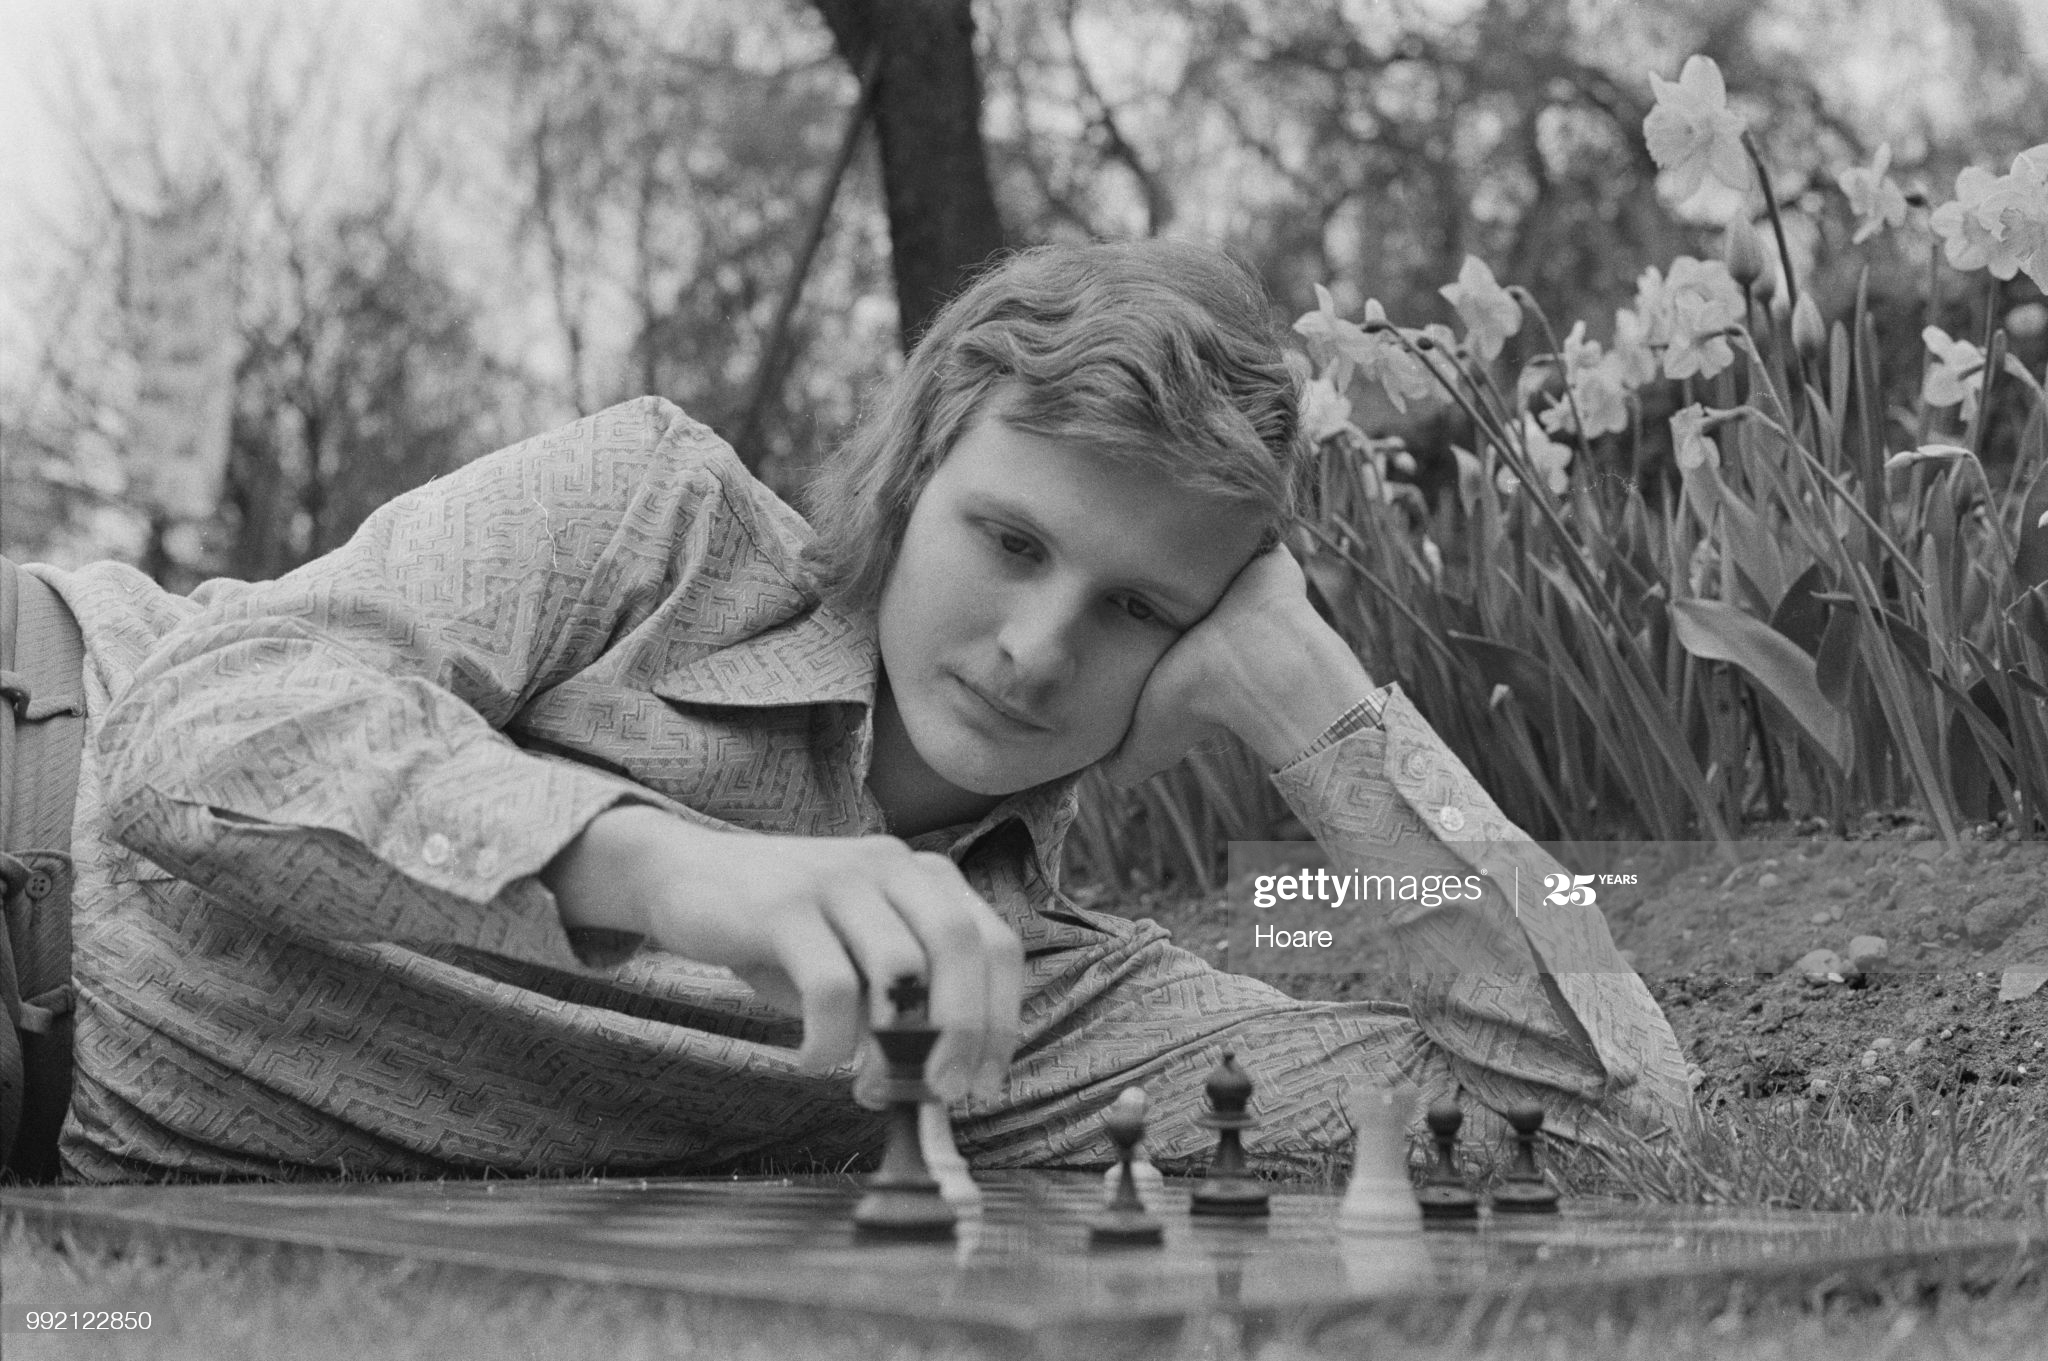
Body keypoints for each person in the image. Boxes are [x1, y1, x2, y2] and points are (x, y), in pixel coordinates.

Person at [1, 240, 1693, 1185]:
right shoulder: (647, 515)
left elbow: (1623, 1118)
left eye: (1138, 608)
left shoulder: (1047, 1002)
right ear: (914, 463)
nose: (1036, 649)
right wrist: (694, 875)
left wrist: (1306, 690)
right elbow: (198, 738)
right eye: (1010, 541)